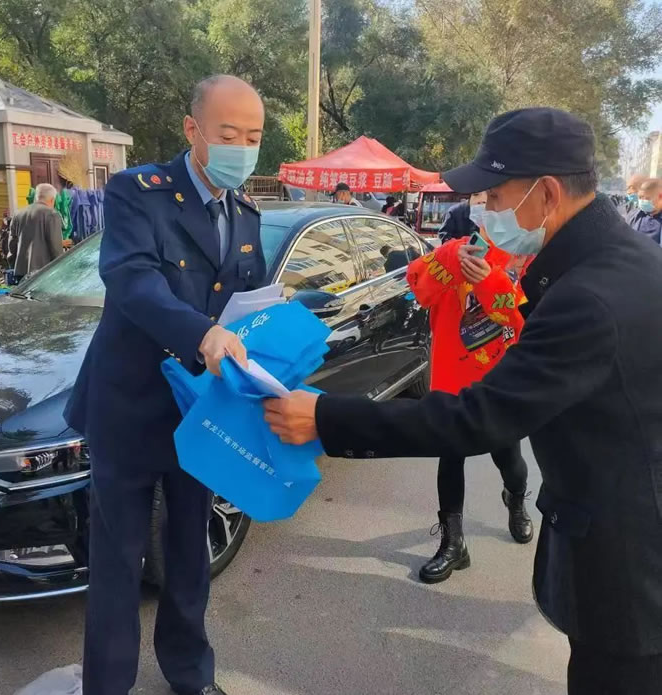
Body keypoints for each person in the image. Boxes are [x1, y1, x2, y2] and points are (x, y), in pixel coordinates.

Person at [265, 107, 662, 695]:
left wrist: (325, 417)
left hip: (627, 567)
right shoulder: (622, 261)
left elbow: (479, 419)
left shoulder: (589, 294)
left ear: (547, 193)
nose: (485, 210)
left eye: (495, 196)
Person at [65, 75, 266, 695]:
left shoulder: (245, 212)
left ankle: (190, 673)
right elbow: (133, 279)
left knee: (188, 554)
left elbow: (246, 301)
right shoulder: (138, 191)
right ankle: (108, 685)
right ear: (192, 129)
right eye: (228, 134)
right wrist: (202, 333)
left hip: (198, 412)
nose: (241, 148)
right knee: (118, 561)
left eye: (253, 136)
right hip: (128, 407)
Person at [407, 220, 532, 584]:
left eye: (497, 198)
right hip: (451, 381)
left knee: (510, 460)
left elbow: (521, 321)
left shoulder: (524, 258)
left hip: (497, 383)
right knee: (450, 459)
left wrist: (489, 280)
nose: (491, 209)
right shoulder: (456, 251)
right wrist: (449, 258)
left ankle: (516, 498)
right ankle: (453, 544)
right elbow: (419, 286)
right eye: (486, 198)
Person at [8, 182, 63, 280]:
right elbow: (55, 247)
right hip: (43, 273)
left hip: (21, 271)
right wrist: (60, 269)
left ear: (36, 197)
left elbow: (12, 244)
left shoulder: (19, 213)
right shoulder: (52, 214)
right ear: (52, 200)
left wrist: (13, 265)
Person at [628, 178, 662, 244]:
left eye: (647, 198)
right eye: (640, 197)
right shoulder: (633, 216)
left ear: (660, 197)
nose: (643, 201)